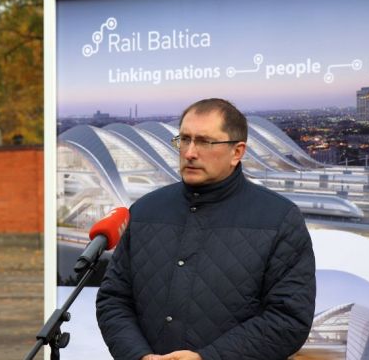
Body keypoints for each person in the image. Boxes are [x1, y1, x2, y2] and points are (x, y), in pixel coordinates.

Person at [96, 98, 316, 360]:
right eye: (184, 139)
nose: (189, 152)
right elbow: (113, 299)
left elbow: (288, 319)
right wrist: (139, 356)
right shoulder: (144, 211)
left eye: (204, 142)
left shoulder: (279, 220)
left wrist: (208, 358)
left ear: (237, 152)